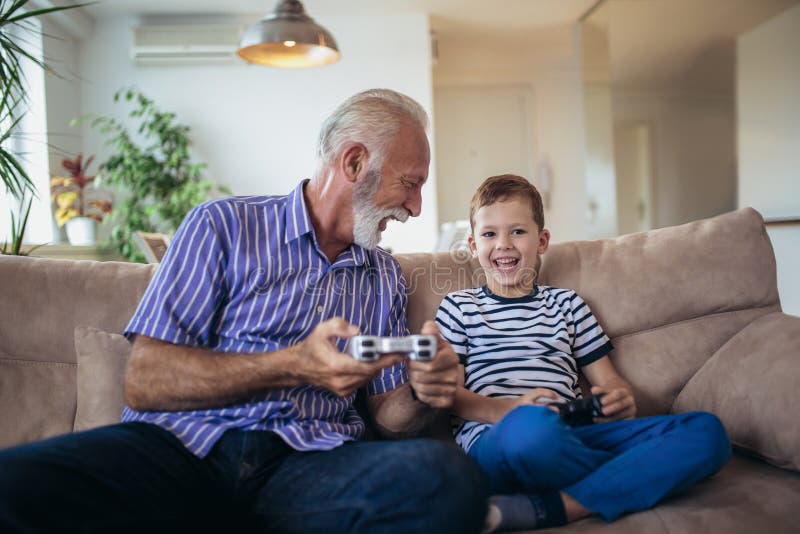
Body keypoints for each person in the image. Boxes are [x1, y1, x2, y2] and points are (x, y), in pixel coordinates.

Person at [0, 89, 489, 533]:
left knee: (447, 479)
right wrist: (293, 364)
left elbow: (387, 418)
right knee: (16, 481)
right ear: (356, 162)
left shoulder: (383, 275)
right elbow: (146, 381)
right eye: (409, 184)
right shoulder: (223, 225)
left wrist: (424, 392)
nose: (417, 207)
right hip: (184, 452)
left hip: (308, 468)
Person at [435, 174, 731, 532]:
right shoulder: (458, 307)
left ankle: (564, 506)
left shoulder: (567, 304)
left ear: (542, 240)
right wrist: (511, 410)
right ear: (472, 244)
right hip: (496, 440)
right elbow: (449, 397)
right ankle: (625, 477)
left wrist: (619, 400)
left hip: (572, 433)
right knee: (531, 430)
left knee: (707, 432)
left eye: (517, 231)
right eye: (489, 234)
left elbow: (610, 384)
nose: (503, 245)